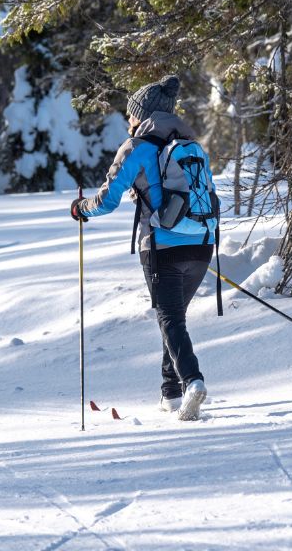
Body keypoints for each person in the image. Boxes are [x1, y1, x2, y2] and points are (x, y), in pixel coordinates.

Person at [70, 75, 216, 421]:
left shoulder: (137, 148)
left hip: (162, 245)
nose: (129, 121)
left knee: (169, 318)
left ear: (143, 114)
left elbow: (107, 200)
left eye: (131, 115)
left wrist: (81, 209)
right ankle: (170, 395)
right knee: (174, 320)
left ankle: (193, 381)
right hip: (202, 244)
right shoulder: (190, 146)